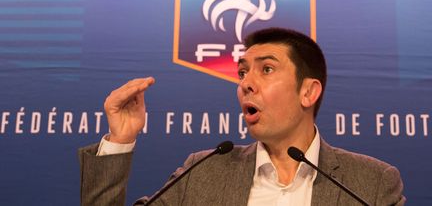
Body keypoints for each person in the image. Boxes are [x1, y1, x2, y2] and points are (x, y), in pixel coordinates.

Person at [79, 27, 405, 206]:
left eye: (266, 69)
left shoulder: (371, 184)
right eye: (242, 72)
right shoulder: (203, 173)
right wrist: (120, 141)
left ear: (308, 92)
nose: (246, 83)